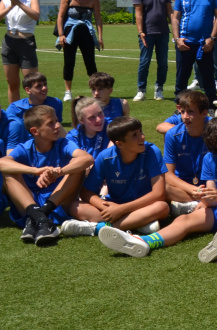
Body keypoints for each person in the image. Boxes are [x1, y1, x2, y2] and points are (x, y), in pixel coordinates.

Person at [97, 113, 217, 261]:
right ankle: (143, 242)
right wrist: (206, 201)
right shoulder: (209, 159)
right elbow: (212, 198)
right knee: (183, 220)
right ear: (216, 142)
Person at [0, 105, 94, 244]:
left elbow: (87, 158)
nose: (58, 126)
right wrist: (36, 170)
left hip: (56, 205)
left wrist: (59, 172)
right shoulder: (25, 148)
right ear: (35, 131)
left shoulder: (63, 143)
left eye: (57, 121)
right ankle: (40, 218)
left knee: (77, 168)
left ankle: (39, 216)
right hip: (28, 206)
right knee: (8, 172)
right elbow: (2, 163)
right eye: (51, 123)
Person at [74, 116, 171, 239]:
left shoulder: (151, 151)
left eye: (140, 131)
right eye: (135, 135)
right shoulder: (105, 157)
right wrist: (107, 207)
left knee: (162, 207)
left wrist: (121, 209)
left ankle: (98, 228)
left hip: (143, 205)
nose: (142, 137)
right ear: (119, 144)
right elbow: (86, 191)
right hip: (115, 205)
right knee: (75, 207)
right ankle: (137, 223)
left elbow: (159, 194)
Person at [171, 0, 217, 104]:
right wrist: (177, 39)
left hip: (204, 44)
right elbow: (175, 18)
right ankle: (179, 107)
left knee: (208, 77)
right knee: (181, 78)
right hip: (185, 43)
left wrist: (212, 38)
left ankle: (211, 106)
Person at [56, 0, 102, 102]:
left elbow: (98, 18)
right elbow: (60, 17)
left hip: (87, 33)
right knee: (69, 62)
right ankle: (68, 92)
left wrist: (100, 37)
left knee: (90, 63)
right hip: (70, 33)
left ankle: (96, 90)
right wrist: (61, 35)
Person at [162, 90, 210, 209]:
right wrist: (193, 189)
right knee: (161, 187)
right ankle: (201, 202)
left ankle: (189, 204)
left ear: (204, 113)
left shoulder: (215, 130)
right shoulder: (173, 135)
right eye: (182, 112)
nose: (185, 117)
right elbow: (168, 174)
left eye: (190, 112)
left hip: (210, 184)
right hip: (183, 186)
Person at [132, 0, 172, 102]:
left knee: (163, 63)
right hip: (147, 33)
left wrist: (176, 29)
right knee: (144, 62)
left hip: (163, 32)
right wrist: (140, 32)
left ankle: (159, 88)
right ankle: (141, 90)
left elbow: (169, 12)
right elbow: (138, 14)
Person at [0, 0, 40, 104]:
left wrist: (19, 3)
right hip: (9, 42)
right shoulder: (5, 0)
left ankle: (35, 112)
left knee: (32, 83)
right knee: (12, 83)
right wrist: (11, 5)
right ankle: (14, 112)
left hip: (26, 42)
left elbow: (36, 15)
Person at [4, 71, 64, 152]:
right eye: (39, 86)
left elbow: (58, 129)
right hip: (23, 145)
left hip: (49, 144)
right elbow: (9, 132)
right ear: (28, 90)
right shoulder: (15, 108)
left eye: (45, 84)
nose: (44, 88)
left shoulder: (55, 103)